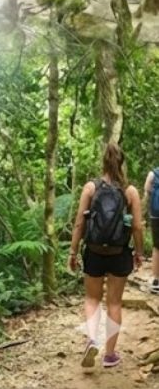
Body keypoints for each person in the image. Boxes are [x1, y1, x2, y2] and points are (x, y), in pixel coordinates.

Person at [69, 143, 144, 369]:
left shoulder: (91, 188)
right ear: (122, 163)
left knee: (92, 299)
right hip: (119, 253)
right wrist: (139, 252)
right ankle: (110, 355)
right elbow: (138, 226)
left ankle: (93, 339)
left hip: (94, 252)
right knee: (114, 302)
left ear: (103, 162)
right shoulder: (130, 191)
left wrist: (73, 251)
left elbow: (80, 223)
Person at [145, 166, 159, 294]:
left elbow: (147, 191)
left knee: (156, 247)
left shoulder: (153, 174)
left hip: (156, 215)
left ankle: (156, 280)